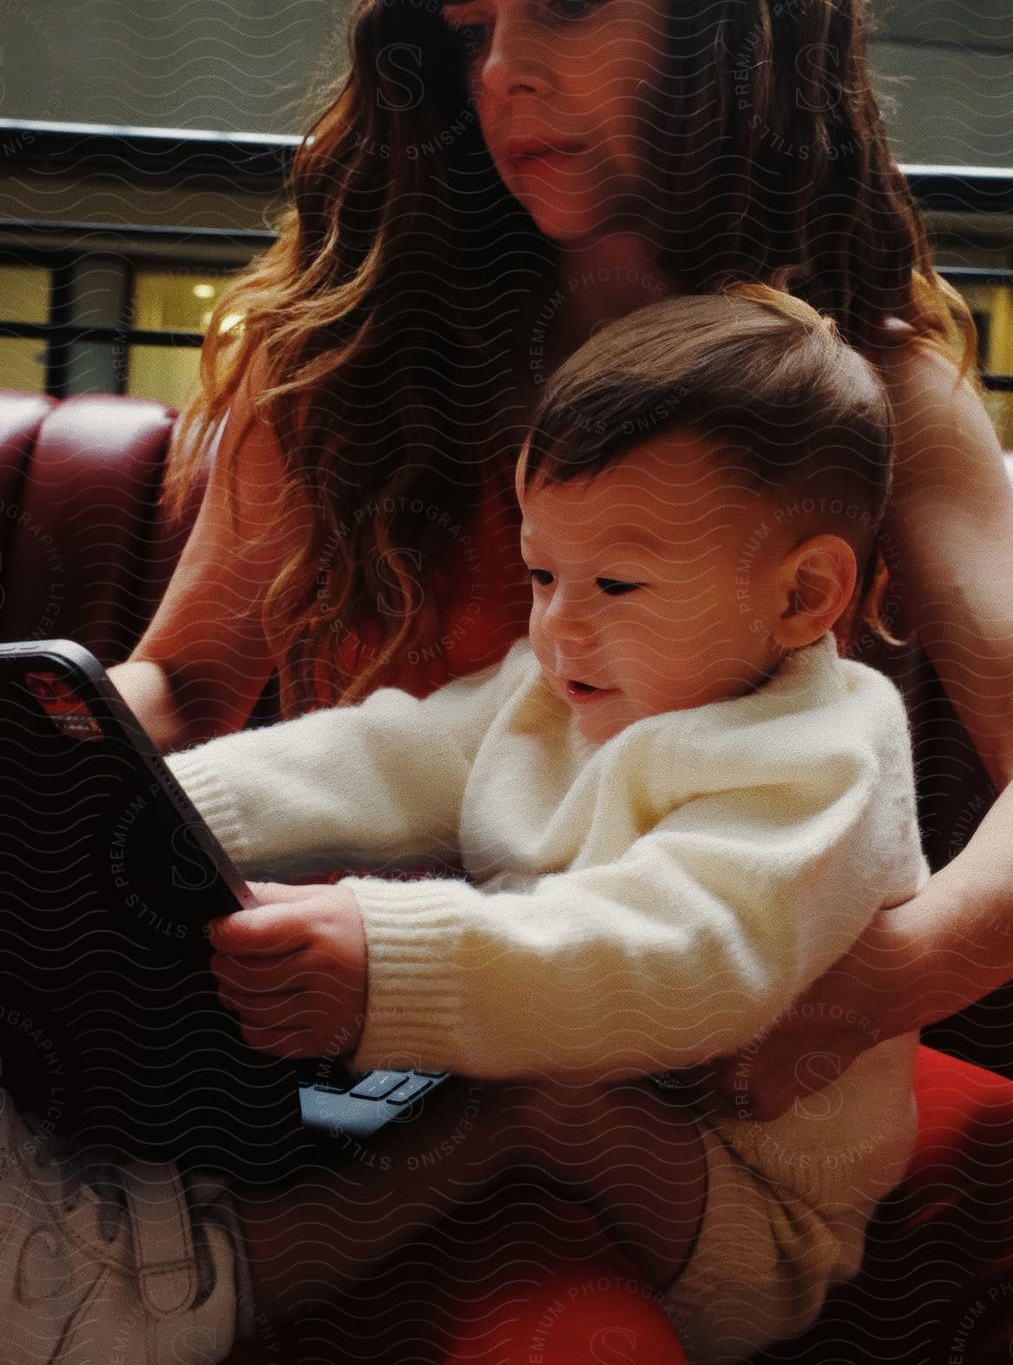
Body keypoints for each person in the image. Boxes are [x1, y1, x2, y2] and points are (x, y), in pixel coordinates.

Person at [82, 0, 1013, 1333]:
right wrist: (62, 789)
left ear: (729, 23)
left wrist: (835, 999)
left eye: (568, 1)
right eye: (467, 25)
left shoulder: (863, 382)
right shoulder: (352, 349)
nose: (501, 68)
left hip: (646, 1058)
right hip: (307, 1040)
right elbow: (174, 683)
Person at [1, 286, 928, 1365]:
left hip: (734, 1207)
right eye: (541, 573)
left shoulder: (820, 755)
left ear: (802, 595)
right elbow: (386, 753)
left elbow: (681, 959)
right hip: (594, 1068)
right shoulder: (563, 679)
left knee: (525, 1087)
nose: (557, 624)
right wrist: (151, 816)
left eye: (615, 583)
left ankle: (168, 1274)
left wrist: (390, 961)